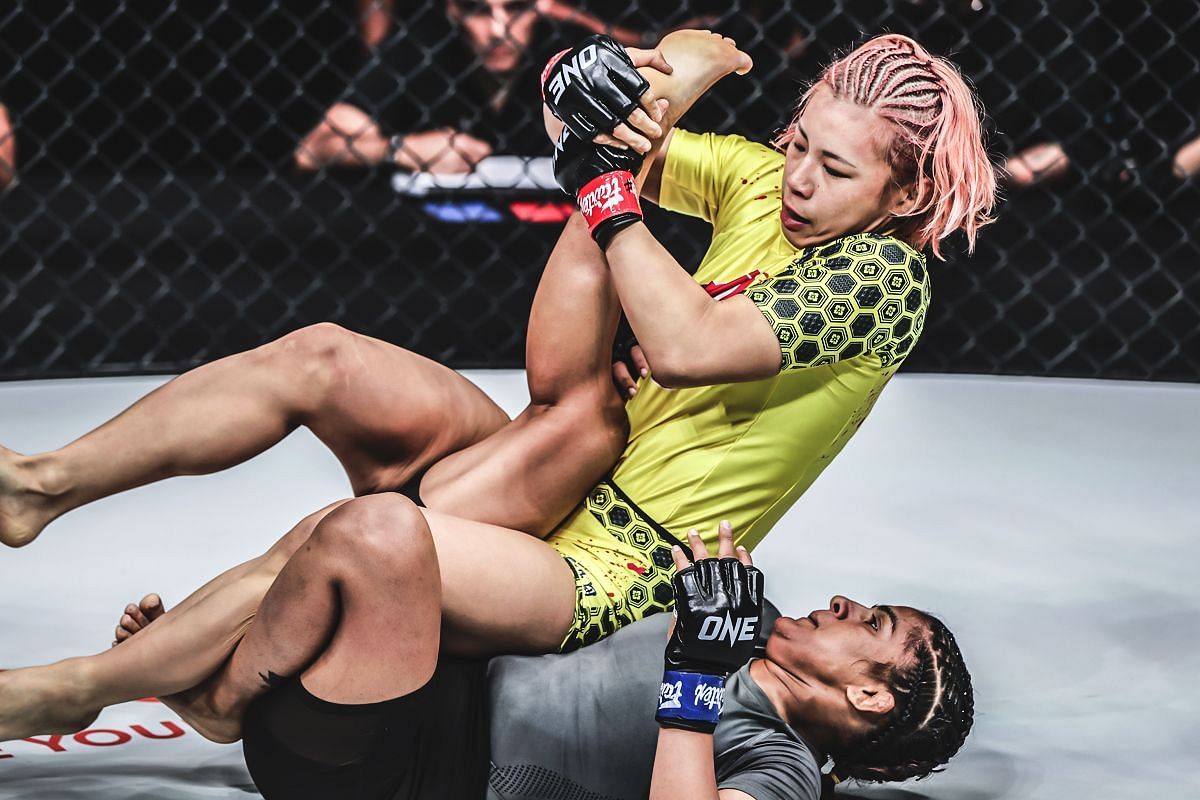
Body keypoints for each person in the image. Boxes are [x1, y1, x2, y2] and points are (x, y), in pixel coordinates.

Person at [0, 29, 994, 741]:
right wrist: (605, 78)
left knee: (344, 538)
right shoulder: (758, 179)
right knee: (323, 355)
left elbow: (686, 340)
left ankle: (83, 688)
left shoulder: (886, 279)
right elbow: (597, 133)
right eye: (797, 144)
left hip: (611, 561)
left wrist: (615, 180)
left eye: (834, 169)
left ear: (903, 194)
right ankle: (42, 484)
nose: (798, 180)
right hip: (566, 446)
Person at [107, 524, 973, 800]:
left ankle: (210, 694)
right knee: (405, 500)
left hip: (397, 766)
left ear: (867, 693)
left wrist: (695, 680)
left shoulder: (785, 766)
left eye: (878, 624)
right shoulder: (742, 614)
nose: (852, 605)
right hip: (412, 672)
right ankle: (214, 676)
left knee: (378, 534)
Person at [295, 0, 616, 173]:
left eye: (515, 8)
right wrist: (402, 149)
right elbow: (313, 150)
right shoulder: (422, 43)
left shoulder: (571, 49)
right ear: (450, 8)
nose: (498, 29)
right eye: (476, 9)